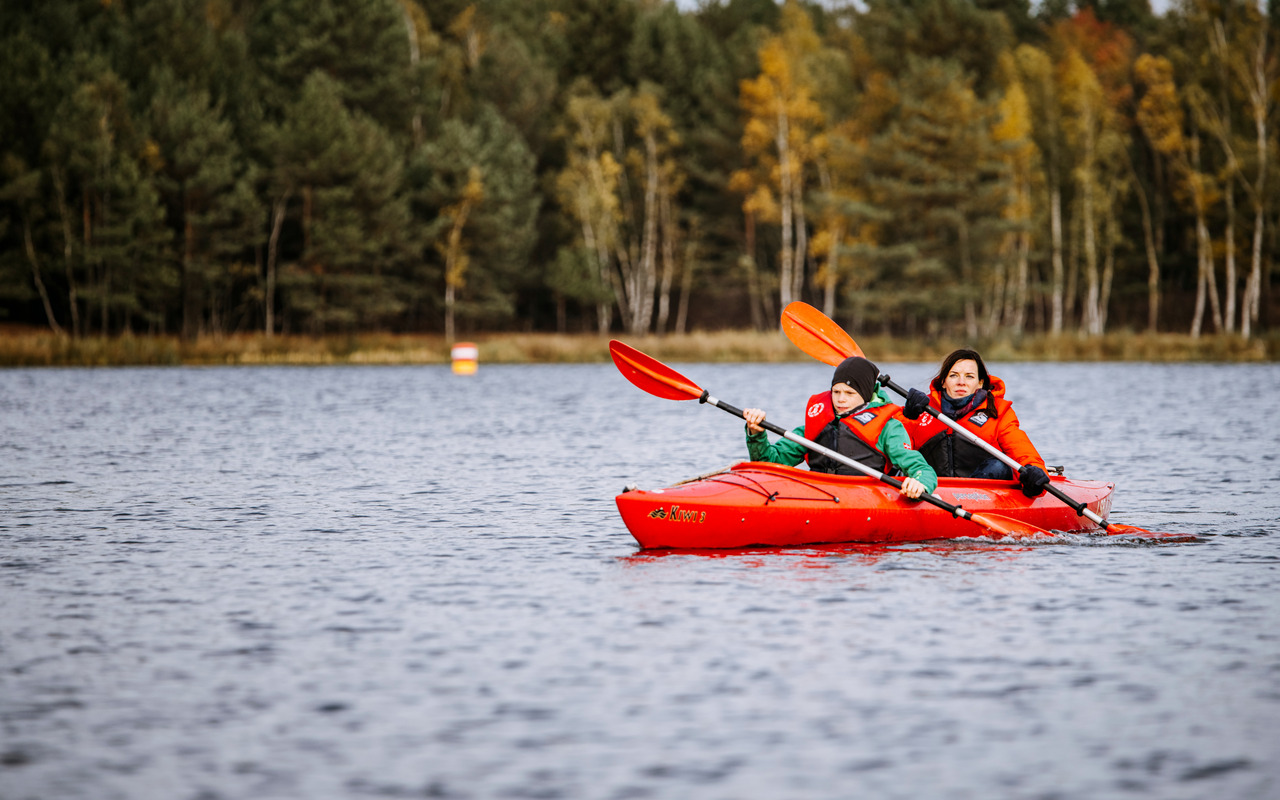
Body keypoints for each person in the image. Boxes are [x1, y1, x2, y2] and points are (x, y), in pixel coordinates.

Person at [742, 356, 937, 499]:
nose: (841, 399)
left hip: (865, 496)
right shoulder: (817, 424)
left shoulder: (888, 428)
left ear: (866, 395)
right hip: (818, 493)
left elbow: (921, 469)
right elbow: (768, 463)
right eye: (836, 392)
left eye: (849, 393)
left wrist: (919, 483)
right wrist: (756, 434)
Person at [901, 349, 1050, 497]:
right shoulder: (921, 409)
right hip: (929, 492)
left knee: (998, 466)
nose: (961, 382)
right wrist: (908, 417)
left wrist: (1034, 471)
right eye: (953, 375)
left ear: (980, 383)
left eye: (969, 376)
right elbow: (895, 449)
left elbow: (1023, 452)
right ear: (943, 382)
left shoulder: (999, 412)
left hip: (981, 495)